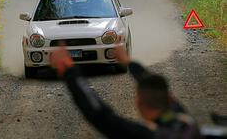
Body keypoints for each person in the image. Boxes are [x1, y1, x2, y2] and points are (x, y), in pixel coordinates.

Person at [49, 44, 201, 139]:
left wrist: (69, 70)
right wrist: (129, 62)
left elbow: (99, 114)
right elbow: (100, 115)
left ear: (138, 103)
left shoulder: (149, 135)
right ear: (169, 99)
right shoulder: (186, 122)